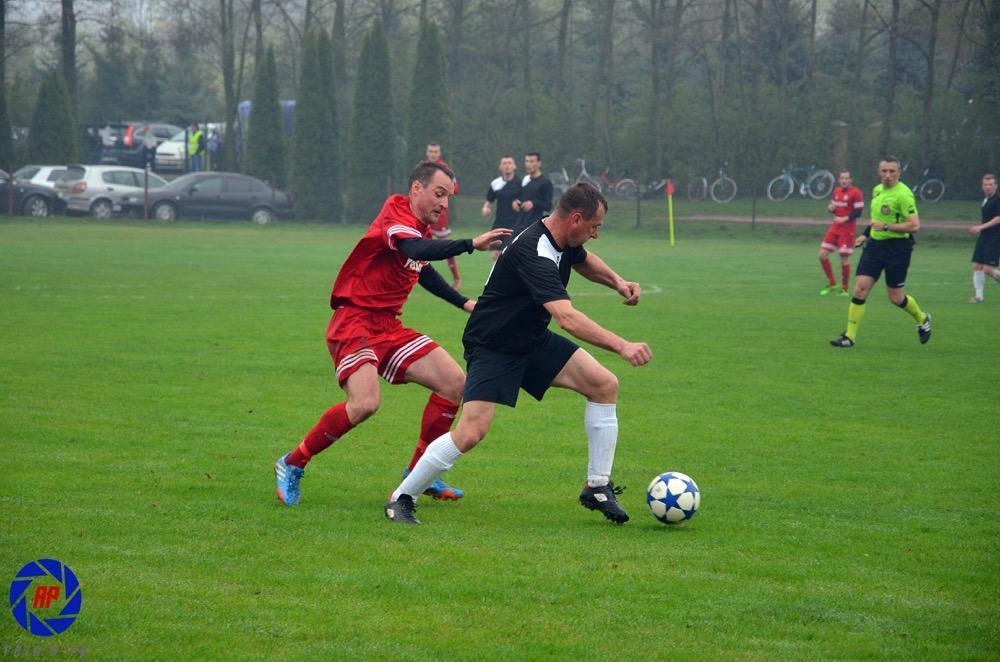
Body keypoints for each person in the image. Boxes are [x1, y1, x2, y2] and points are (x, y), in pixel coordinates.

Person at [385, 183, 652, 525]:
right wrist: (622, 345)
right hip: (493, 345)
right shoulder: (535, 250)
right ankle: (402, 497)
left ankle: (596, 486)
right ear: (575, 219)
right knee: (470, 432)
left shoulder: (562, 237)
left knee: (603, 384)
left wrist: (617, 281)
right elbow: (567, 318)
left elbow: (582, 259)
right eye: (594, 227)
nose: (595, 234)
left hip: (531, 339)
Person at [273, 161, 511, 506]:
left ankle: (420, 473)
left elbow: (422, 269)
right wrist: (470, 244)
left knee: (453, 382)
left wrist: (464, 303)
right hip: (354, 321)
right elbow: (415, 251)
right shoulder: (396, 213)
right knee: (365, 404)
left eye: (448, 197)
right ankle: (293, 462)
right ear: (417, 188)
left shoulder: (419, 228)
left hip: (388, 326)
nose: (444, 203)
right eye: (439, 194)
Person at [830, 156, 932, 348]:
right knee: (860, 288)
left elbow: (914, 225)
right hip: (875, 247)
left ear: (898, 173)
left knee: (896, 297)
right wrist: (866, 234)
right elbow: (876, 219)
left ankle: (922, 318)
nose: (888, 175)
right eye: (884, 171)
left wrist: (886, 227)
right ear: (879, 173)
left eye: (892, 171)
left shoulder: (904, 195)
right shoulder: (877, 190)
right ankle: (849, 337)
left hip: (898, 249)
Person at [818, 171, 864, 296]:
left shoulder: (856, 192)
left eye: (847, 178)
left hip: (847, 230)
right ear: (839, 180)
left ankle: (844, 289)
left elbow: (858, 212)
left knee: (843, 258)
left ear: (851, 180)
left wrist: (844, 219)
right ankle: (833, 283)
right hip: (835, 228)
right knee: (822, 254)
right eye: (842, 178)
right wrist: (830, 208)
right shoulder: (837, 191)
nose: (844, 180)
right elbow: (834, 208)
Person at [426, 143, 462, 290]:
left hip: (439, 213)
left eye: (435, 151)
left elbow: (456, 188)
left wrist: (440, 191)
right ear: (427, 153)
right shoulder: (424, 168)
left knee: (445, 246)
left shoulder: (445, 169)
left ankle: (457, 279)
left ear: (439, 153)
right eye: (430, 151)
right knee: (418, 244)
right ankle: (411, 277)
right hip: (424, 211)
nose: (433, 154)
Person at [480, 155, 522, 259]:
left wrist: (519, 203)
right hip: (499, 223)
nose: (507, 165)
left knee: (509, 254)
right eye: (504, 163)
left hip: (515, 224)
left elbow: (526, 200)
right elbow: (489, 200)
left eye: (509, 163)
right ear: (500, 167)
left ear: (514, 166)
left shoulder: (521, 184)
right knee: (495, 255)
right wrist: (485, 208)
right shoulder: (495, 183)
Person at [967, 173, 1000, 303]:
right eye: (986, 184)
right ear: (982, 186)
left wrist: (981, 227)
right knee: (977, 266)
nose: (988, 187)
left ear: (996, 186)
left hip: (995, 237)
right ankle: (979, 296)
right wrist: (982, 229)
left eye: (991, 184)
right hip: (984, 236)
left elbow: (998, 219)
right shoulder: (986, 200)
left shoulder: (997, 200)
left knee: (988, 269)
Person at [513, 151, 553, 234]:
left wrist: (533, 204)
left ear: (539, 163)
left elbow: (548, 206)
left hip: (535, 227)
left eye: (531, 161)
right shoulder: (525, 181)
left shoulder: (545, 182)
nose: (528, 164)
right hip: (520, 225)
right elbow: (521, 198)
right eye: (527, 161)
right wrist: (516, 202)